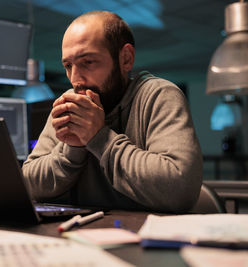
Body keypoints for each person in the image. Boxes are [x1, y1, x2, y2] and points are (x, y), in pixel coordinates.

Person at [22, 10, 202, 213]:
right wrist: (72, 151)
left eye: (88, 62)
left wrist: (99, 137)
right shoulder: (69, 103)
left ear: (126, 58)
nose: (75, 80)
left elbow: (179, 190)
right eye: (68, 65)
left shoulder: (158, 95)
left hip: (141, 238)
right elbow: (28, 185)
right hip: (77, 236)